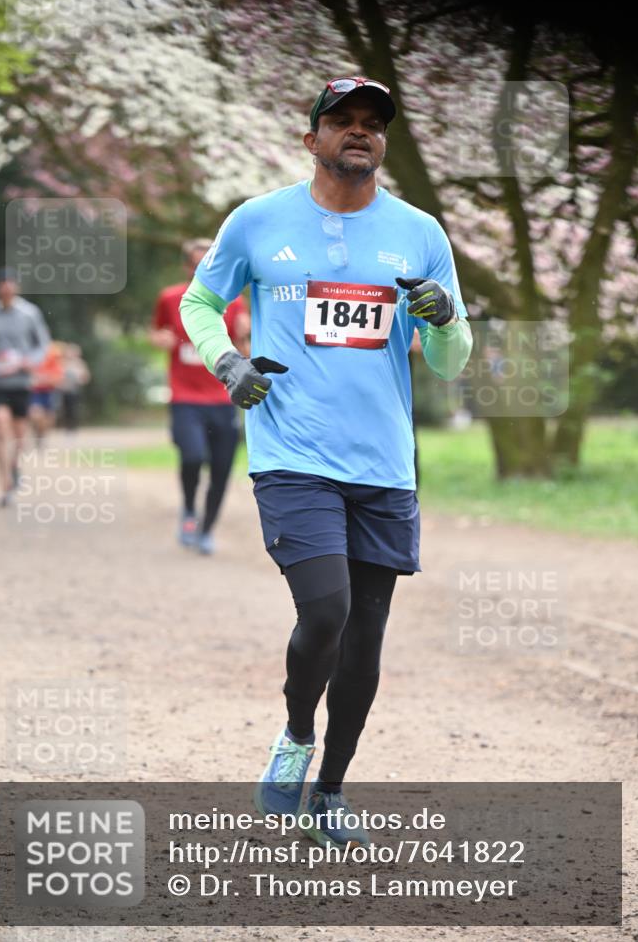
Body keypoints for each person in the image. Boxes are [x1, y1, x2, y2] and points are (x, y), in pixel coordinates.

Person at [179, 76, 473, 846]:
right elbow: (197, 303)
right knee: (327, 612)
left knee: (366, 640)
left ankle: (331, 795)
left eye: (372, 124)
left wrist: (442, 320)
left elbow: (449, 359)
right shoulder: (257, 221)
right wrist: (227, 362)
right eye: (340, 121)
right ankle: (294, 737)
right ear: (310, 139)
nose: (358, 132)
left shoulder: (419, 233)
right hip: (291, 451)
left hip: (382, 463)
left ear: (384, 143)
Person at [150, 238, 250, 553]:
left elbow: (244, 349)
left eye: (208, 261)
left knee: (221, 469)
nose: (202, 269)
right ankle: (190, 509)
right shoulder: (170, 298)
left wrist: (247, 337)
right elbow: (155, 331)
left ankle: (207, 530)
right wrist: (160, 339)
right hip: (185, 397)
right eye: (196, 263)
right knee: (192, 457)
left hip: (222, 399)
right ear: (186, 267)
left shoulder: (234, 302)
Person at [0, 269, 50, 505]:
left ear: (16, 287)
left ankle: (15, 466)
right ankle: (5, 483)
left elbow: (42, 344)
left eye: (10, 284)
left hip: (21, 382)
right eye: (2, 284)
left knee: (19, 435)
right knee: (0, 428)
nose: (6, 288)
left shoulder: (30, 314)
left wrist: (31, 361)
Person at [29, 340, 64, 447]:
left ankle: (42, 436)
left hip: (50, 391)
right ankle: (37, 433)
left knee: (50, 418)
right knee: (36, 415)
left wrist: (43, 379)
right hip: (36, 392)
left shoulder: (53, 353)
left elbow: (58, 378)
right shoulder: (30, 354)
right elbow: (31, 379)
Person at [58, 342, 91, 434]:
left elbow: (86, 377)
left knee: (74, 409)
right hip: (64, 390)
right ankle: (67, 428)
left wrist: (80, 379)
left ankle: (73, 428)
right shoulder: (62, 362)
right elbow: (57, 376)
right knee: (65, 409)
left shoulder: (80, 363)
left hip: (75, 390)